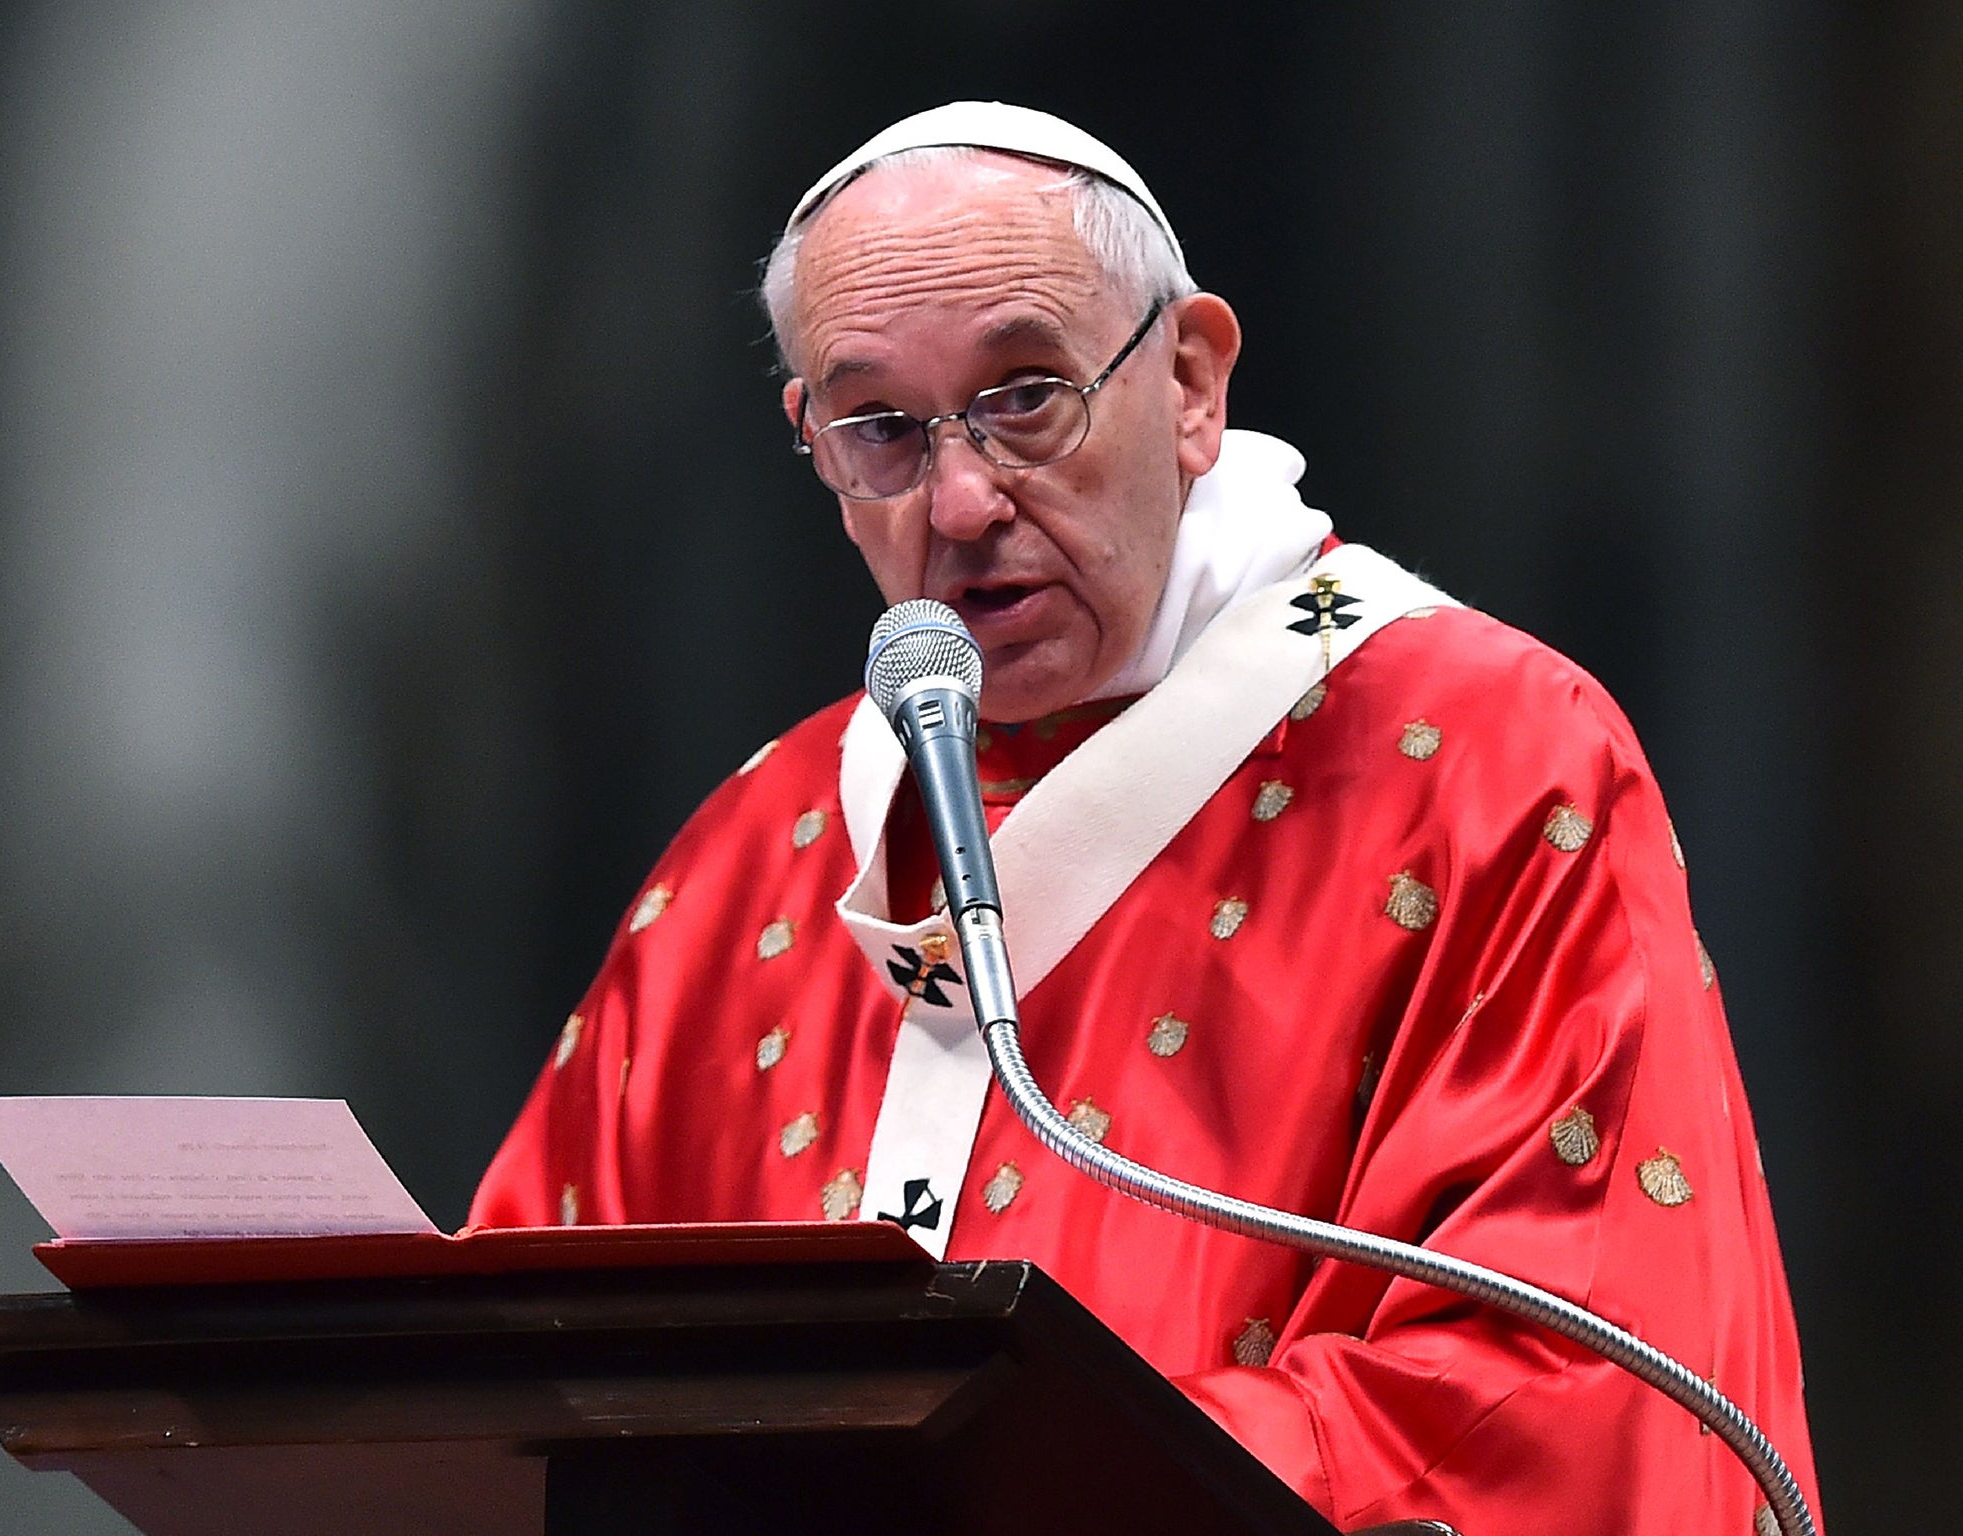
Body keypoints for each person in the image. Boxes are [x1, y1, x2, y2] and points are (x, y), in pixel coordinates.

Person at [472, 102, 1822, 1534]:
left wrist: (958, 1492)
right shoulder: (758, 853)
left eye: (1026, 394)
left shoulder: (1486, 764)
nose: (966, 496)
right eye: (881, 427)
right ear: (812, 442)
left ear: (1188, 381)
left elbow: (1566, 1387)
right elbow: (498, 1393)